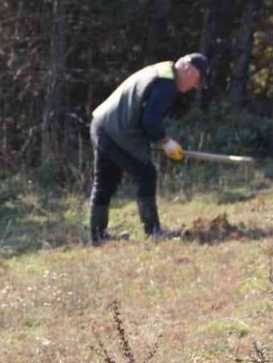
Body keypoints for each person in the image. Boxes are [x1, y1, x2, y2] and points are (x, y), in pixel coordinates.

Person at [88, 53, 208, 243]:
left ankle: (97, 237)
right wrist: (166, 142)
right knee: (146, 174)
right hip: (117, 131)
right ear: (189, 69)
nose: (194, 86)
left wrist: (161, 140)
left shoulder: (163, 71)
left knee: (105, 182)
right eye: (196, 80)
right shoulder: (166, 83)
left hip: (102, 125)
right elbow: (150, 122)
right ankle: (153, 232)